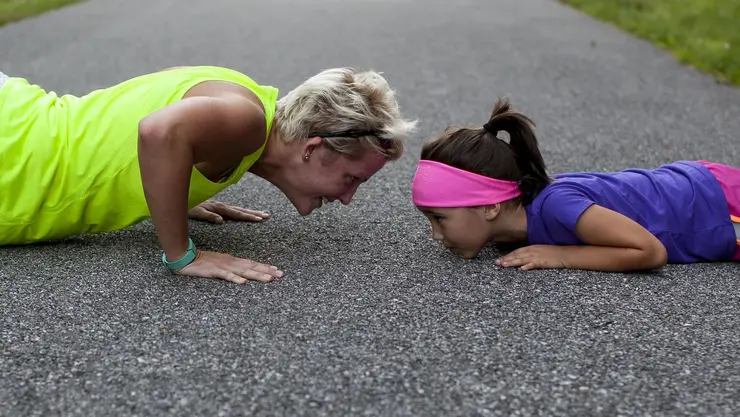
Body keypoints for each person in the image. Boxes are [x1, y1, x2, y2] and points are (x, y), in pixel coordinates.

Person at [0, 66, 417, 283]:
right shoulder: (246, 120)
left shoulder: (247, 106)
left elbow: (139, 126)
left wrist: (173, 189)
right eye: (352, 179)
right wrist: (183, 254)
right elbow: (158, 131)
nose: (348, 198)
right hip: (13, 156)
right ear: (313, 148)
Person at [411, 97, 740, 272]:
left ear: (490, 206)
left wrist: (561, 255)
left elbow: (650, 251)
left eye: (440, 218)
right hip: (701, 187)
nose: (435, 234)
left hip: (718, 205)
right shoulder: (511, 227)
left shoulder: (556, 205)